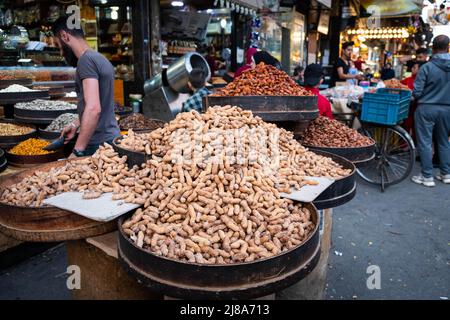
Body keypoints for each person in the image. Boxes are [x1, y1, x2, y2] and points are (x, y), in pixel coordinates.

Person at [52, 16, 120, 157]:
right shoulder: (99, 58)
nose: (61, 53)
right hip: (110, 139)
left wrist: (78, 150)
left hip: (97, 145)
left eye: (59, 46)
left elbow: (94, 108)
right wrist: (76, 124)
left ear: (64, 36)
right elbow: (101, 102)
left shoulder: (85, 61)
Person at [411, 35, 450, 187]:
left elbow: (417, 92)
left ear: (433, 48)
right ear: (447, 48)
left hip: (426, 108)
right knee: (444, 142)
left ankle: (427, 176)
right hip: (447, 109)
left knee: (425, 142)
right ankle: (446, 173)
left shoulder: (427, 67)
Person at [401, 61, 425, 140]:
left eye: (414, 67)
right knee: (406, 126)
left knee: (416, 129)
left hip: (418, 108)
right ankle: (404, 145)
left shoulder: (422, 80)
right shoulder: (408, 79)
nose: (412, 69)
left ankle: (413, 145)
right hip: (407, 107)